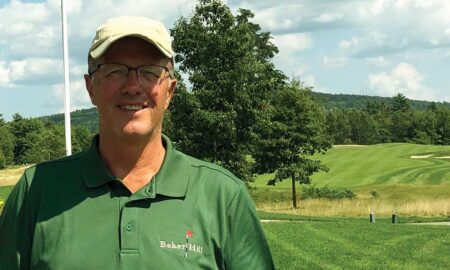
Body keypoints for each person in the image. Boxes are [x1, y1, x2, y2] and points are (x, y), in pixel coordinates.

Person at [0, 16, 275, 269]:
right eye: (114, 71)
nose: (132, 85)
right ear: (90, 87)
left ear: (170, 91)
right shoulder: (37, 190)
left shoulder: (223, 196)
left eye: (150, 72)